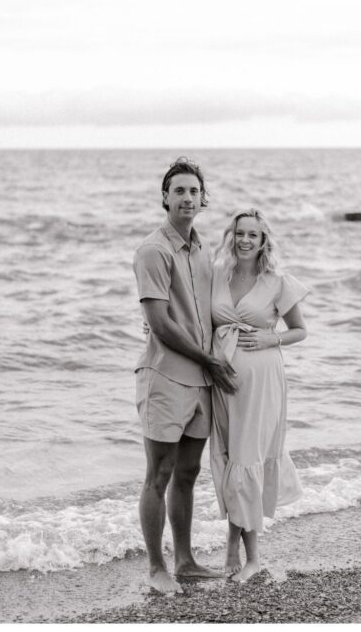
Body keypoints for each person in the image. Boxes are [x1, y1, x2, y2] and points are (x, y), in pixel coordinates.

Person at [133, 158, 238, 594]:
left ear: (203, 198)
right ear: (164, 197)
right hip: (166, 377)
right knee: (158, 474)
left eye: (194, 191)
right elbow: (159, 322)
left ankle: (186, 560)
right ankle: (156, 568)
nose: (187, 198)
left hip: (201, 380)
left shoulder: (203, 250)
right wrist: (209, 359)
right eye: (178, 191)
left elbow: (211, 312)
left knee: (189, 472)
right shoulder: (153, 251)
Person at [208, 208, 308, 582]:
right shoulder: (217, 275)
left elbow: (300, 330)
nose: (245, 240)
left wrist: (273, 337)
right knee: (230, 457)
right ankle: (232, 542)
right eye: (239, 233)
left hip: (262, 380)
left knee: (248, 457)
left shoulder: (276, 281)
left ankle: (253, 558)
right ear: (230, 237)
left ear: (264, 240)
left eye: (253, 234)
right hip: (221, 379)